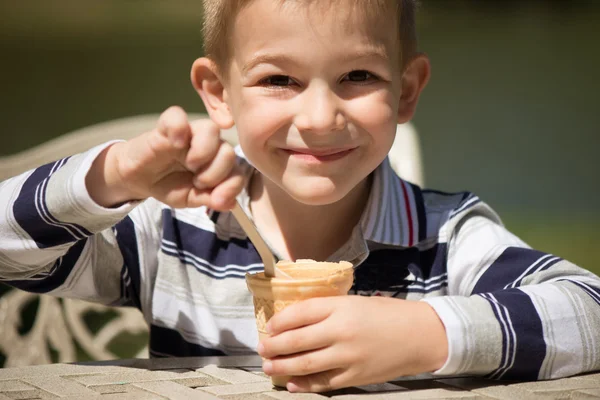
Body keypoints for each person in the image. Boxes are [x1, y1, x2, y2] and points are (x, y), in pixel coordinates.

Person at [1, 0, 599, 393]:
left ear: (407, 90)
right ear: (218, 94)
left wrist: (425, 333)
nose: (318, 118)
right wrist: (114, 177)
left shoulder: (443, 237)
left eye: (358, 77)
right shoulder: (174, 228)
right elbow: (8, 253)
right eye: (278, 80)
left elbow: (589, 309)